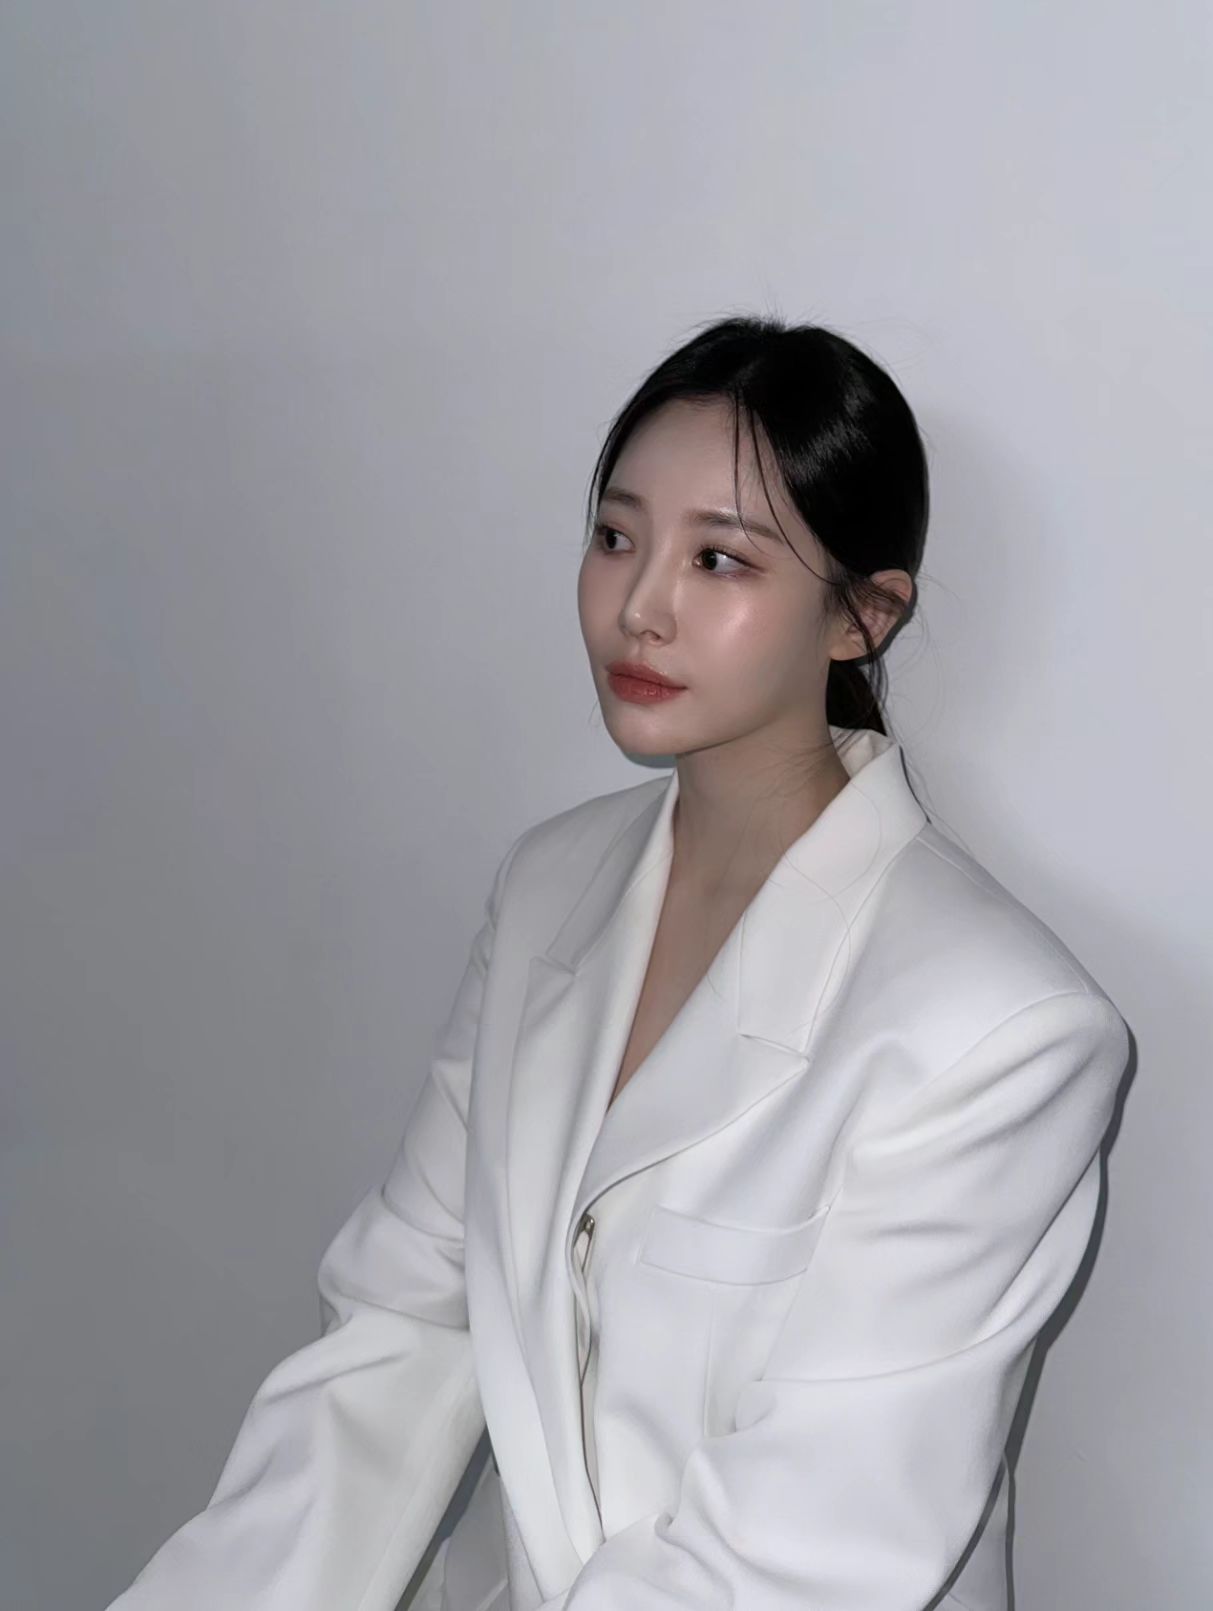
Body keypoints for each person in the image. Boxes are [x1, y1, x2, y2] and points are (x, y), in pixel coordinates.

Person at [106, 315, 1130, 1611]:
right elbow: (399, 1341)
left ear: (862, 616)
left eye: (719, 558)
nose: (640, 607)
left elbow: (813, 1543)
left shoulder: (1000, 1026)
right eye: (614, 536)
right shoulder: (550, 886)